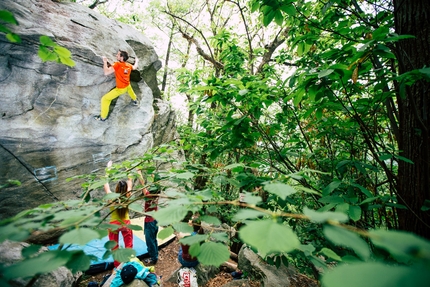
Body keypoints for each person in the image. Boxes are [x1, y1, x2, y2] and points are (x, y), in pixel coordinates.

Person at [94, 50, 139, 121]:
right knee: (130, 90)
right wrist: (137, 61)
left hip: (120, 89)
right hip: (127, 84)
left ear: (121, 58)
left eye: (118, 55)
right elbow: (135, 67)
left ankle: (103, 117)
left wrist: (105, 62)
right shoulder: (128, 65)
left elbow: (106, 72)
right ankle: (135, 100)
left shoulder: (117, 64)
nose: (116, 56)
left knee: (105, 99)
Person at [104, 160, 134, 268]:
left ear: (116, 188)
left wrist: (108, 169)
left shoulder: (111, 197)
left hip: (114, 224)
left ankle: (118, 267)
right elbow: (130, 181)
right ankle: (129, 263)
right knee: (128, 244)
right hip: (125, 223)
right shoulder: (128, 194)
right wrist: (128, 168)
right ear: (126, 189)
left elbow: (105, 184)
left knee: (114, 247)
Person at [137, 170, 159, 265]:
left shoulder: (149, 195)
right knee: (154, 239)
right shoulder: (156, 195)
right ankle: (155, 255)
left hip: (149, 222)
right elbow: (155, 184)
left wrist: (138, 173)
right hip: (155, 220)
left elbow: (142, 184)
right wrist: (152, 173)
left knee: (150, 241)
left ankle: (153, 259)